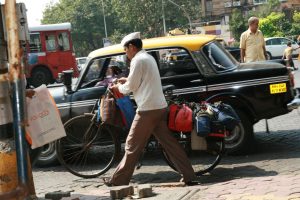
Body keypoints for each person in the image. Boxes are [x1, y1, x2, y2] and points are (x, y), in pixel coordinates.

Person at [105, 32, 198, 186]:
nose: (125, 53)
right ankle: (189, 175)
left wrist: (117, 87)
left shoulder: (137, 60)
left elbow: (130, 87)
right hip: (159, 107)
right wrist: (126, 80)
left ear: (132, 47)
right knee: (169, 144)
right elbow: (140, 80)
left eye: (126, 50)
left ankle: (118, 181)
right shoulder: (147, 58)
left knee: (132, 145)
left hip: (147, 109)